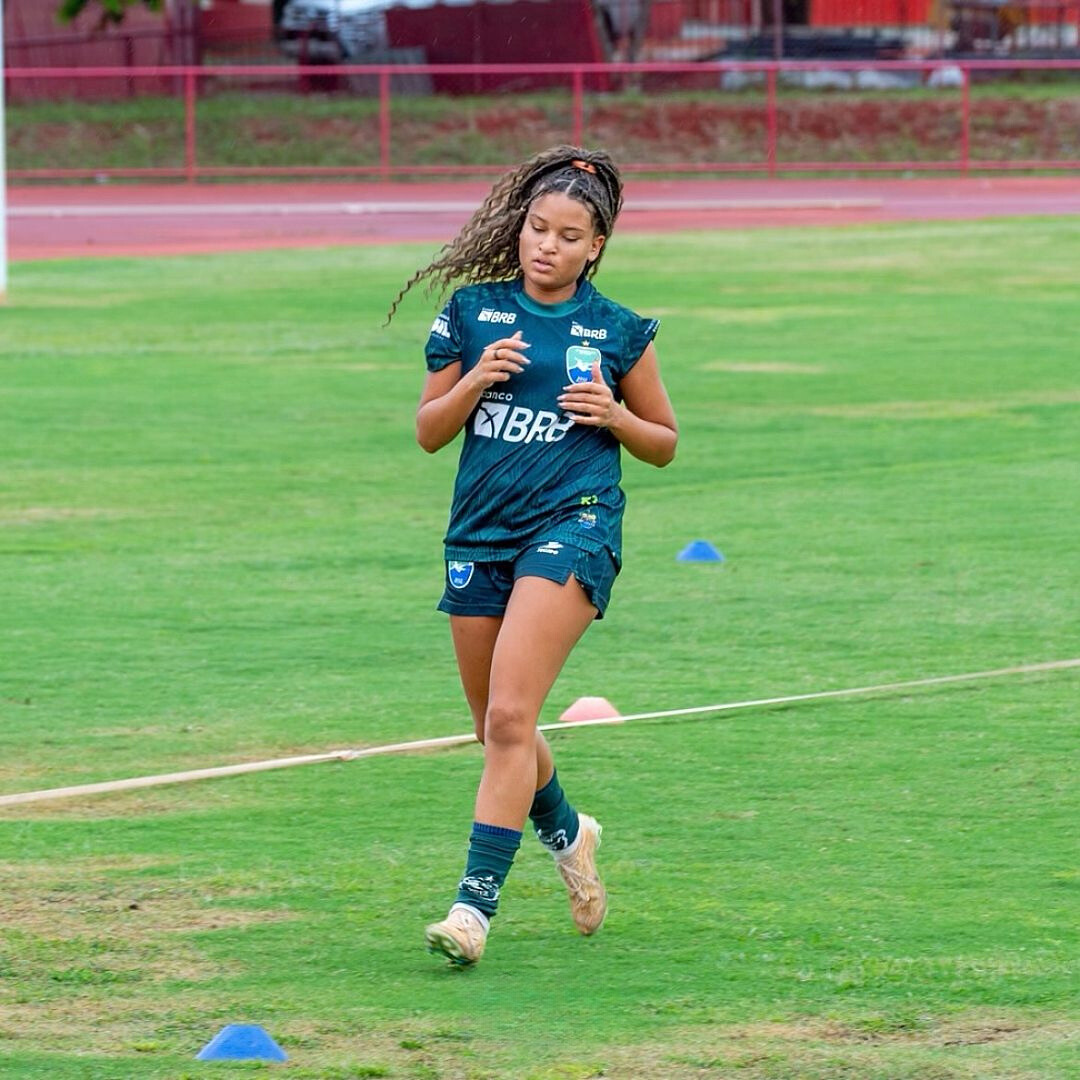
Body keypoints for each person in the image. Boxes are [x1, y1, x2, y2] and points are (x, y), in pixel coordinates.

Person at [387, 145, 678, 966]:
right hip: (479, 535)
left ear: (596, 247)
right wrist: (473, 379)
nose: (545, 244)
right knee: (496, 728)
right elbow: (427, 433)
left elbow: (664, 444)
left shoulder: (619, 331)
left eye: (567, 234)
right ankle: (569, 833)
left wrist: (616, 417)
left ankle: (472, 911)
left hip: (576, 525)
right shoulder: (470, 313)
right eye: (536, 227)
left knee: (513, 716)